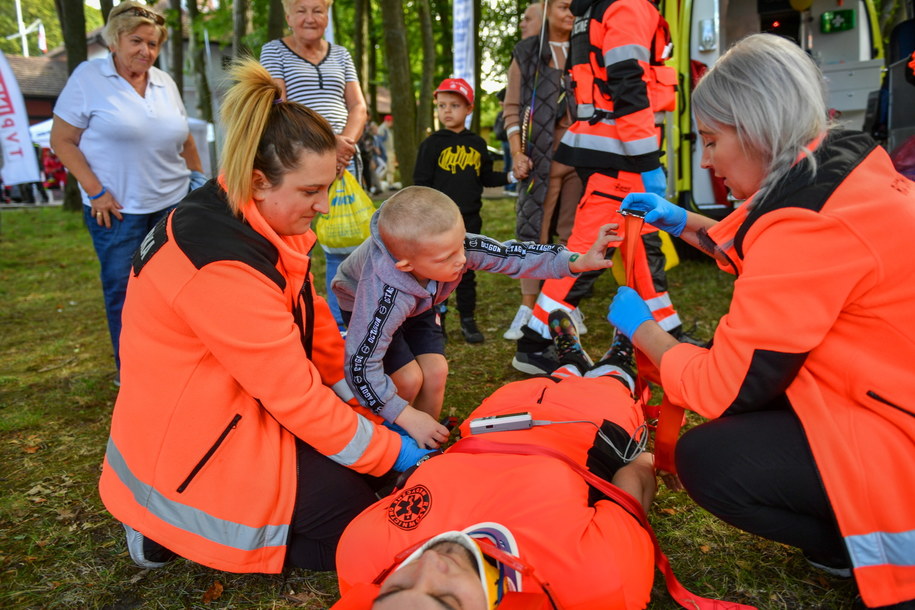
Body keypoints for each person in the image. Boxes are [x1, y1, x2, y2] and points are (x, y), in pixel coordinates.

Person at [609, 34, 915, 609]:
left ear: (755, 129)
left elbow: (725, 388)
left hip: (898, 439)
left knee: (709, 459)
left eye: (711, 140)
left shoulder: (809, 227)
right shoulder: (841, 166)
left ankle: (849, 544)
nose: (705, 160)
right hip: (889, 393)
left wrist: (644, 330)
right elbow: (779, 255)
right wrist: (689, 224)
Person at [97, 59, 434, 575]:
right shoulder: (220, 265)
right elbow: (294, 397)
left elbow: (313, 324)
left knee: (369, 485)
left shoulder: (262, 218)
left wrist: (372, 409)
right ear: (258, 181)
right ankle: (159, 521)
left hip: (233, 405)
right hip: (198, 440)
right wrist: (392, 451)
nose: (324, 207)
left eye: (328, 186)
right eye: (310, 191)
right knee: (361, 533)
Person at [333, 324, 656, 609]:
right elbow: (630, 490)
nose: (429, 561)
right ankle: (618, 357)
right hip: (586, 432)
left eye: (397, 587)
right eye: (447, 599)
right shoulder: (597, 584)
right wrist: (648, 461)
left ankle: (571, 360)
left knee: (556, 378)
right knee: (611, 383)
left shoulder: (362, 557)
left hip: (493, 420)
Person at [332, 185, 619, 450]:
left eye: (461, 245)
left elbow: (512, 256)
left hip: (419, 301)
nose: (461, 259)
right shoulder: (383, 294)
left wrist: (576, 261)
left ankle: (422, 447)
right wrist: (405, 414)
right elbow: (360, 364)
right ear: (407, 265)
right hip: (370, 305)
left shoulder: (447, 247)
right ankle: (390, 445)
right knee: (407, 379)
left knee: (435, 371)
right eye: (447, 257)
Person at [510, 0, 686, 377]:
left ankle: (669, 333)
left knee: (643, 248)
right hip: (620, 152)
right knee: (589, 251)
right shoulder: (626, 7)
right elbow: (628, 83)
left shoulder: (597, 8)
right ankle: (535, 342)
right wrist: (647, 159)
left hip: (605, 147)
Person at [50, 1, 203, 380]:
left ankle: (177, 363)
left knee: (176, 290)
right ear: (114, 40)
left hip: (173, 205)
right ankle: (133, 371)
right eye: (137, 41)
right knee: (124, 291)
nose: (146, 51)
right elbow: (62, 140)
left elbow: (185, 140)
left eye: (153, 44)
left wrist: (198, 183)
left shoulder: (164, 82)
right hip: (118, 211)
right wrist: (95, 190)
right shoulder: (88, 77)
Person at [259, 0, 369, 330]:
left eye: (318, 10)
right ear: (289, 15)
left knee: (345, 245)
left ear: (327, 15)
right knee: (296, 241)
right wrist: (326, 143)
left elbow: (358, 106)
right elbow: (279, 104)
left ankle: (343, 326)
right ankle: (294, 317)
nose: (310, 18)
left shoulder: (342, 54)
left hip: (344, 162)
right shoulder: (274, 51)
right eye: (302, 10)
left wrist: (343, 145)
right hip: (296, 162)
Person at [414, 78, 525, 343]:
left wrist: (512, 176)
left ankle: (468, 320)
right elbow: (420, 184)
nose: (447, 111)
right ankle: (436, 320)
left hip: (469, 219)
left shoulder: (476, 143)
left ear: (469, 109)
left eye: (454, 105)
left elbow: (486, 177)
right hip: (438, 222)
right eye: (442, 106)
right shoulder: (431, 145)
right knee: (435, 272)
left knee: (465, 270)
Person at [502, 0, 583, 341]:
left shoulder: (589, 48)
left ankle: (562, 305)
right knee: (533, 233)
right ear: (549, 8)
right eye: (564, 6)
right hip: (540, 162)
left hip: (581, 160)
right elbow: (512, 107)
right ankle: (528, 306)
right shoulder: (526, 52)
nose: (571, 12)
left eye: (575, 7)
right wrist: (518, 153)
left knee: (573, 233)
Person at [376, 114, 397, 189]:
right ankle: (383, 183)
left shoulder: (386, 129)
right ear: (389, 121)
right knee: (386, 168)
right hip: (386, 152)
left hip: (389, 151)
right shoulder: (383, 129)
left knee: (389, 168)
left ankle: (389, 183)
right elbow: (380, 141)